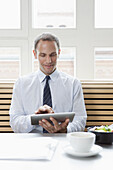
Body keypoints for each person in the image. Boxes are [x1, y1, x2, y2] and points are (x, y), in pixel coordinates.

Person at [9, 33, 87, 133]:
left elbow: (80, 120)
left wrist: (65, 130)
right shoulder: (21, 84)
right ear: (35, 54)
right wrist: (35, 118)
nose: (48, 60)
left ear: (59, 53)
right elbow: (15, 122)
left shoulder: (73, 84)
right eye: (43, 55)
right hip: (31, 142)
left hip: (63, 141)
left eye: (52, 55)